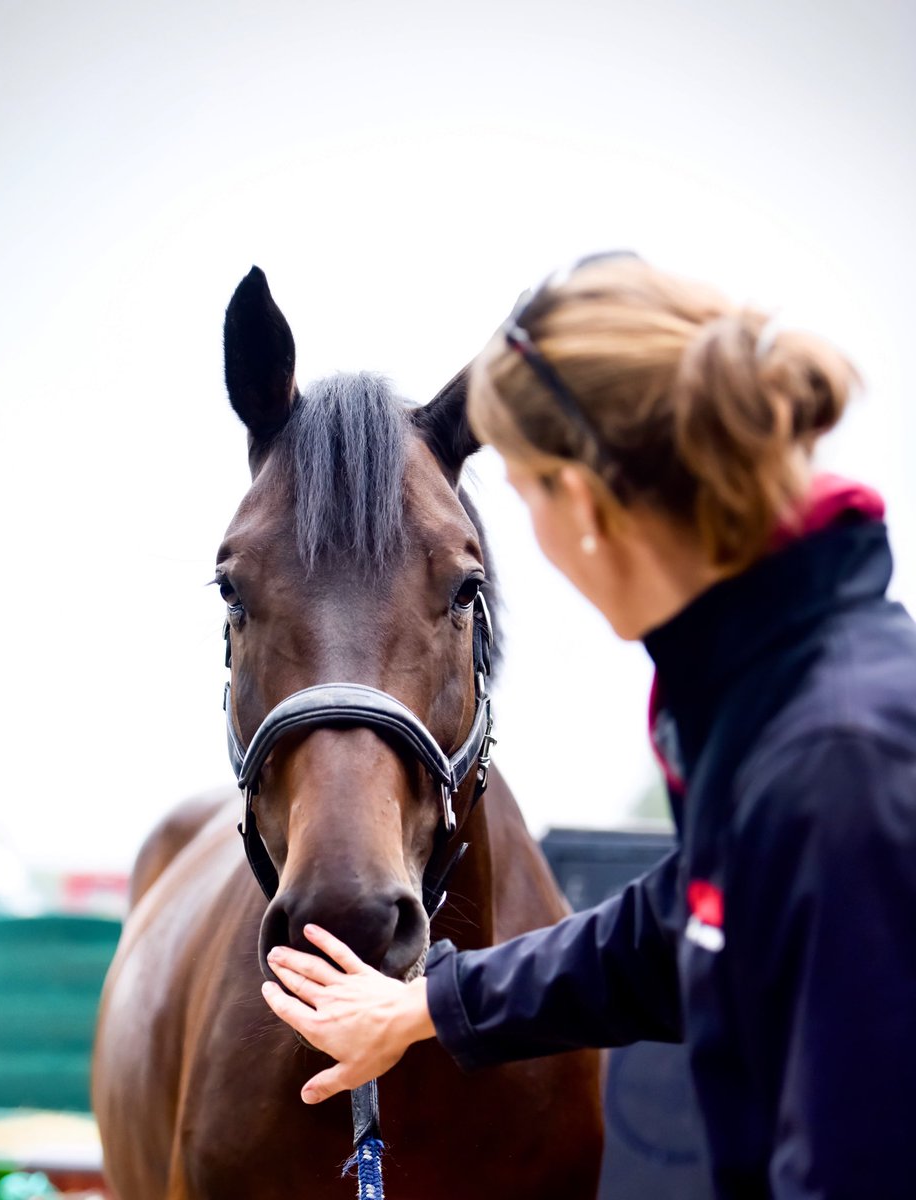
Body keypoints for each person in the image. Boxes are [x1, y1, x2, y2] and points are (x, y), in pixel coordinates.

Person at [260, 253, 916, 1199]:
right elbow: (678, 926)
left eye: (523, 498)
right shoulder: (777, 705)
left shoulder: (835, 761)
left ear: (582, 504)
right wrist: (423, 1009)